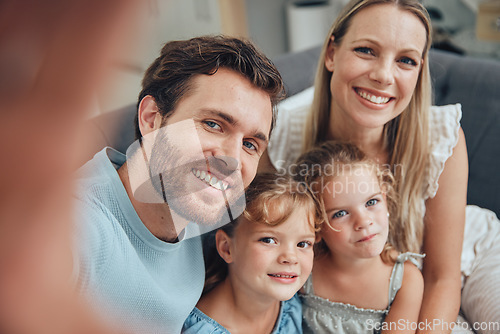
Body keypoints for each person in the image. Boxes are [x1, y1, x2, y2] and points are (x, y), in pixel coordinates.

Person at [263, 0, 500, 332]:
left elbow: (440, 277)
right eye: (366, 50)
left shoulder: (441, 137)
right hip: (390, 293)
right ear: (332, 52)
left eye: (405, 60)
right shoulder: (281, 133)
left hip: (467, 254)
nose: (383, 76)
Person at [73, 36, 284, 333]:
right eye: (213, 124)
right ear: (151, 119)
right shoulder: (73, 228)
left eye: (250, 144)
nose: (232, 160)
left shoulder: (197, 207)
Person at [293, 141, 423, 333]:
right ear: (316, 227)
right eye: (340, 214)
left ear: (385, 199)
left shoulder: (405, 280)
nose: (363, 221)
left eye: (372, 201)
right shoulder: (305, 269)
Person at [182, 173, 323, 333]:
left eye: (303, 244)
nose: (291, 257)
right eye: (268, 240)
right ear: (226, 248)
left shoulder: (292, 306)